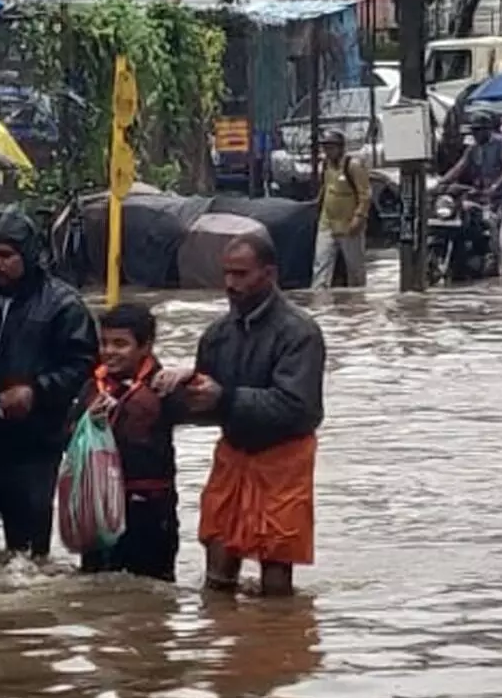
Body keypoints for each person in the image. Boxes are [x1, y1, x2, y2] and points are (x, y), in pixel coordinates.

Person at [154, 233, 325, 597]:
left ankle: (276, 637)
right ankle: (220, 635)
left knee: (277, 562)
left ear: (269, 274)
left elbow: (299, 409)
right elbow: (207, 403)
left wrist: (225, 398)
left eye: (241, 274)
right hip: (234, 452)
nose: (231, 284)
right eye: (227, 274)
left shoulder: (300, 332)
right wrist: (169, 392)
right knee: (217, 550)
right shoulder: (217, 334)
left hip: (284, 458)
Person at [0, 208, 98, 559]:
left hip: (33, 449)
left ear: (28, 256)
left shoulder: (63, 306)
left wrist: (37, 390)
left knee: (26, 561)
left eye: (6, 255)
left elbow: (83, 366)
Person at [70, 303, 183, 582]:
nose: (109, 351)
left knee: (150, 596)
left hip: (148, 510)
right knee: (95, 591)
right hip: (99, 508)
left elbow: (210, 407)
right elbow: (68, 437)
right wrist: (87, 422)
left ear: (146, 347)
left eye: (120, 344)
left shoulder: (164, 387)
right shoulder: (91, 387)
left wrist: (188, 374)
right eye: (105, 343)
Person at [439, 113, 502, 279]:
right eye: (473, 131)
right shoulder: (473, 149)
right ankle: (491, 270)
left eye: (479, 131)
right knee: (493, 243)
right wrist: (440, 184)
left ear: (488, 130)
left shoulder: (501, 143)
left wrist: (495, 186)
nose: (475, 135)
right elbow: (459, 167)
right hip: (492, 202)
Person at [311, 129, 370, 289]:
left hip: (349, 225)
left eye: (331, 147)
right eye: (325, 147)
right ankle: (319, 303)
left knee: (355, 270)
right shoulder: (325, 165)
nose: (328, 151)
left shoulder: (353, 166)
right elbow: (325, 189)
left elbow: (364, 195)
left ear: (341, 148)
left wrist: (359, 217)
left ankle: (357, 304)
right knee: (321, 265)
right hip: (327, 222)